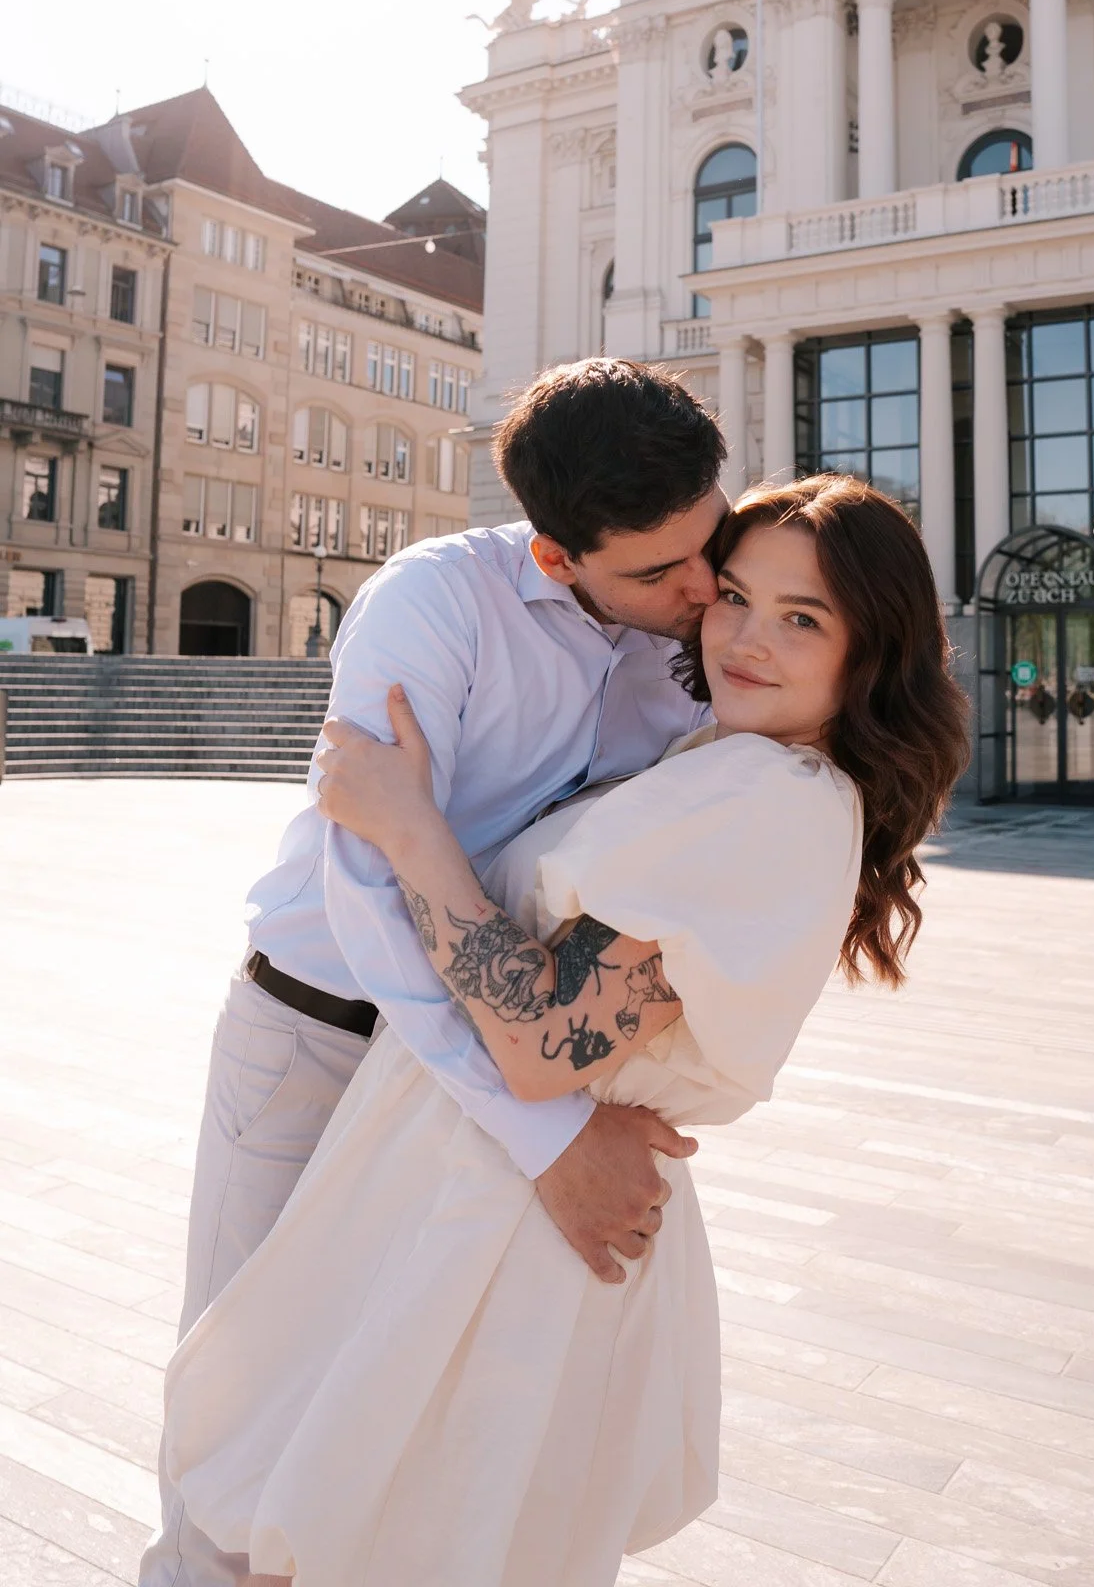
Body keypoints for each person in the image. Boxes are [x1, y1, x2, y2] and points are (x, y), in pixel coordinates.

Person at [161, 474, 971, 1587]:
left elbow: (537, 1041)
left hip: (493, 1218)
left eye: (803, 617)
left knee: (343, 1537)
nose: (744, 637)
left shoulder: (768, 800)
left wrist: (408, 827)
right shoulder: (739, 765)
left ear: (874, 649)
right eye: (734, 595)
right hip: (467, 1181)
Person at [141, 358, 731, 1587]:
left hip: (488, 1077)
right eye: (658, 570)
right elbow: (368, 901)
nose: (698, 588)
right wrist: (549, 1135)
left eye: (706, 543)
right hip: (319, 1038)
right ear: (558, 557)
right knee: (243, 1406)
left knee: (408, 1430)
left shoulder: (692, 635)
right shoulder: (434, 602)